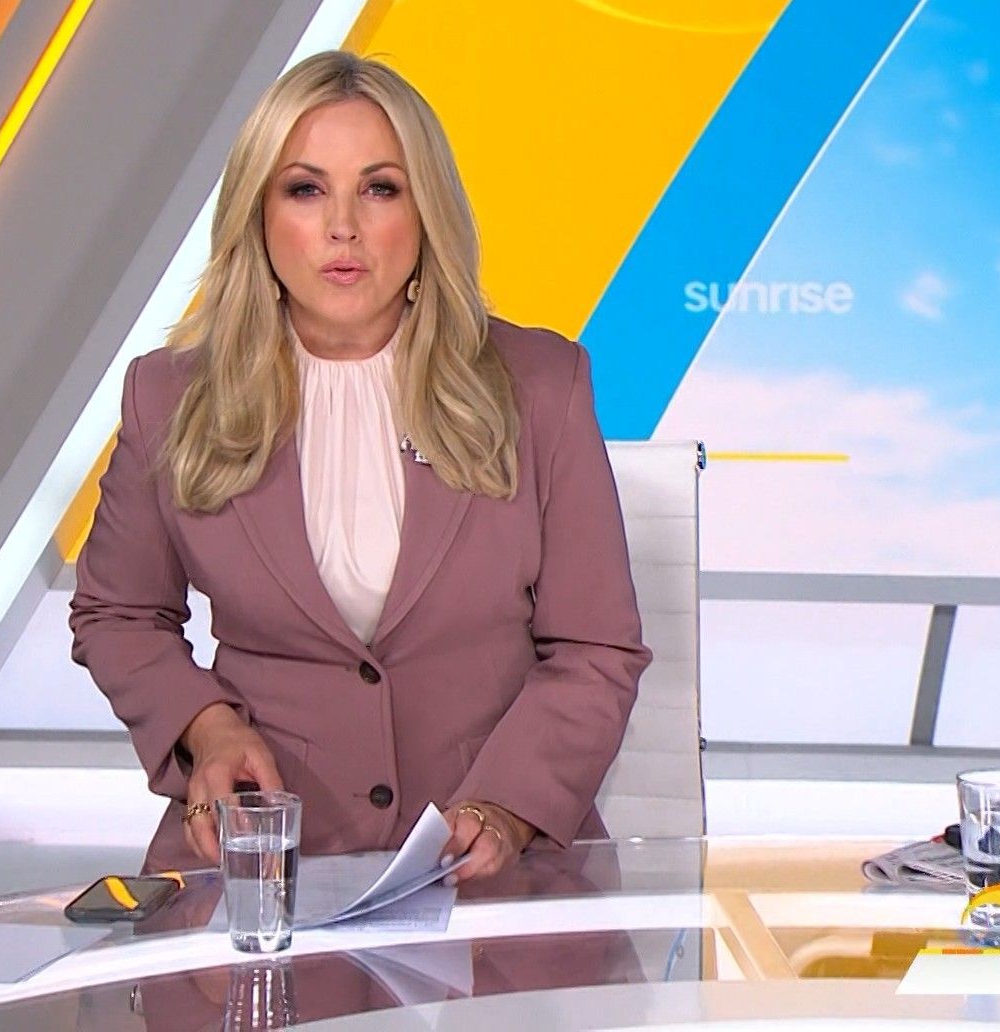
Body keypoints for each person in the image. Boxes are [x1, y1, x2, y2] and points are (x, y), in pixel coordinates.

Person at [69, 49, 650, 882]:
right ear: (258, 213)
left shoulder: (541, 385)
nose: (342, 227)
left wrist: (506, 807)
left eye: (379, 189)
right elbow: (119, 614)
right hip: (261, 857)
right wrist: (208, 729)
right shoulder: (167, 396)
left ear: (425, 211)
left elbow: (595, 646)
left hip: (493, 861)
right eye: (305, 190)